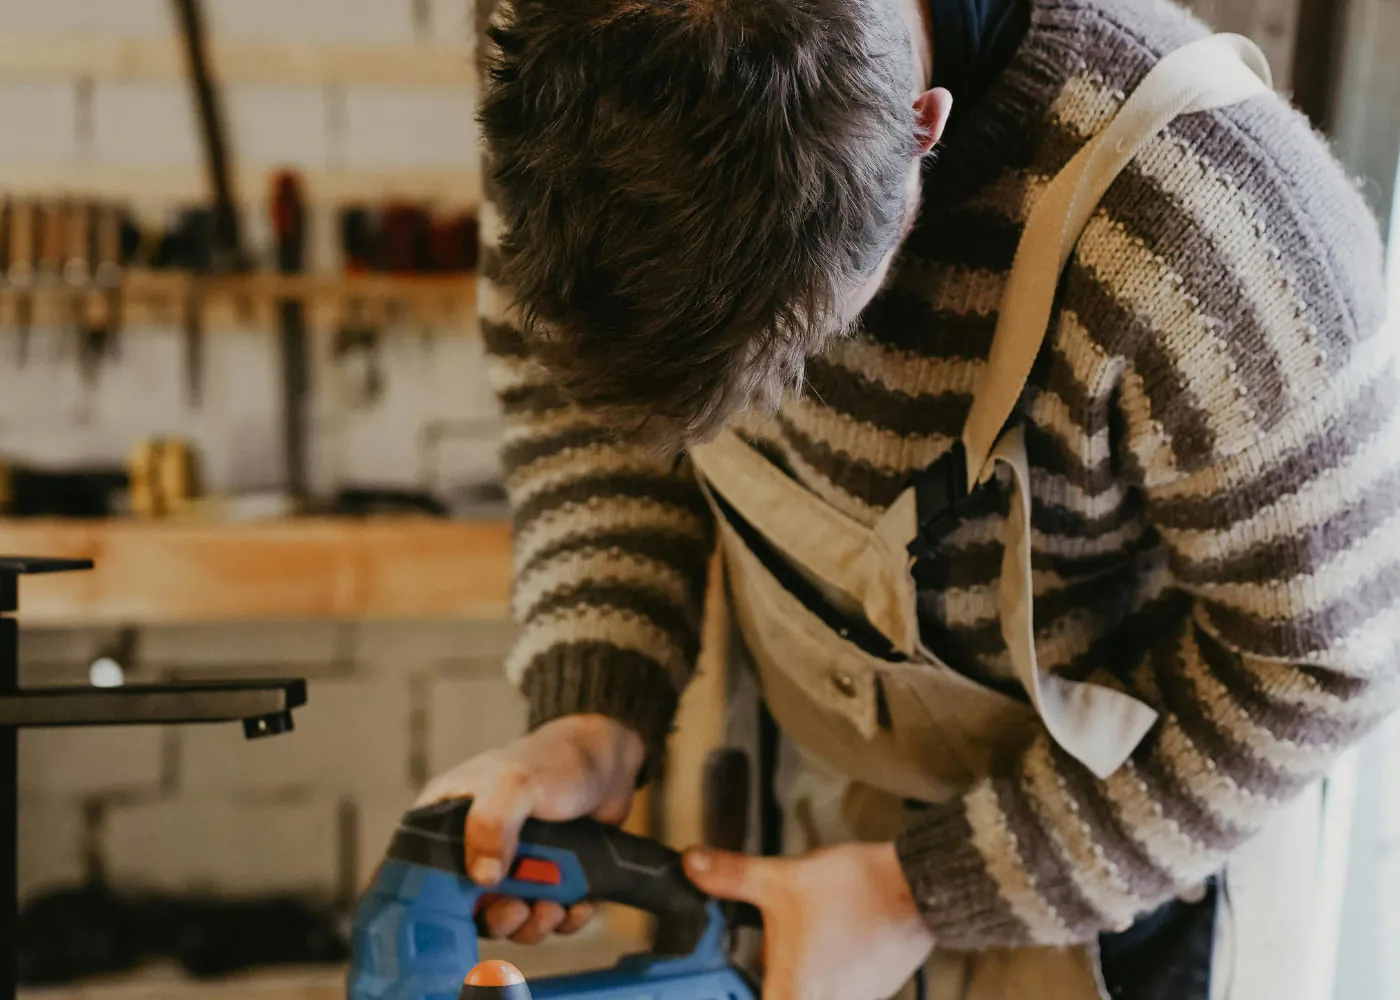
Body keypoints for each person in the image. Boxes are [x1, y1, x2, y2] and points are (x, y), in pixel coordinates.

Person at [418, 0, 1400, 997]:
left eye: (785, 358)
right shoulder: (551, 61)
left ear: (919, 138)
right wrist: (594, 715)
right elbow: (595, 398)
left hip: (1108, 894)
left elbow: (1319, 665)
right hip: (795, 822)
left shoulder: (1216, 229)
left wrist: (914, 893)